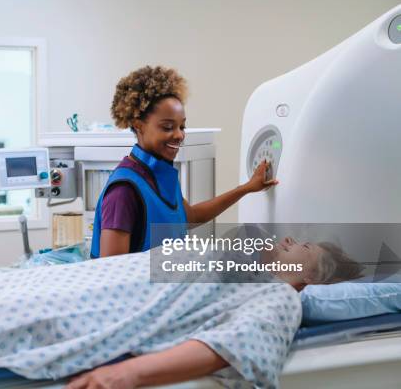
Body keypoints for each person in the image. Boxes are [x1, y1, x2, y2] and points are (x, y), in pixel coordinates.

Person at [0, 238, 362, 388]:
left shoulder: (276, 297)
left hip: (48, 323)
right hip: (29, 293)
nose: (289, 240)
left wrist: (129, 373)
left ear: (308, 276)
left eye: (303, 247)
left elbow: (234, 349)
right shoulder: (229, 257)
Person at [90, 66, 277, 258]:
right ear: (139, 126)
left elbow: (192, 216)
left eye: (182, 126)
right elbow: (111, 273)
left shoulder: (159, 175)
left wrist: (247, 188)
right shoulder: (124, 192)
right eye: (168, 127)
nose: (179, 135)